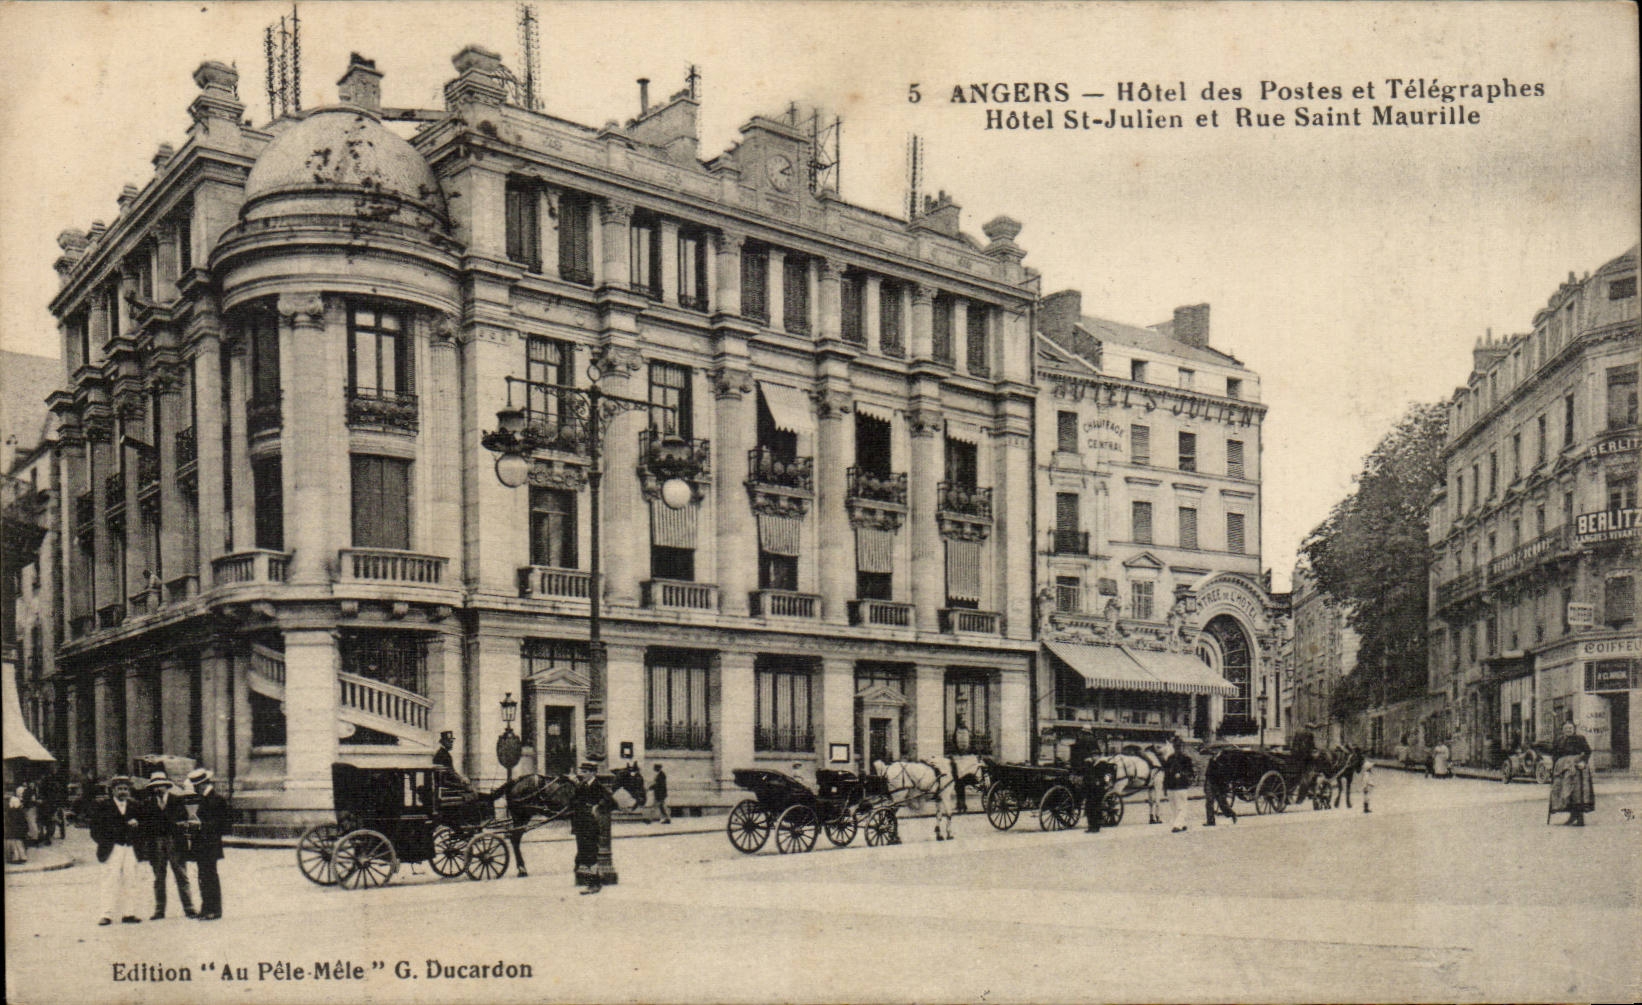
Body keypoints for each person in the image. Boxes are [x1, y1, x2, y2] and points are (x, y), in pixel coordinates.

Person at [91, 776, 148, 925]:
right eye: (120, 789)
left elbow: (145, 826)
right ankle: (106, 914)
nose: (123, 792)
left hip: (130, 848)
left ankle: (128, 913)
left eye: (125, 789)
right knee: (110, 880)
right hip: (113, 848)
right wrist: (107, 841)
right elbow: (95, 829)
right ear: (113, 790)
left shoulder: (135, 805)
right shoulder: (103, 806)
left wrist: (138, 825)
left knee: (131, 880)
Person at [140, 772, 197, 919]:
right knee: (159, 877)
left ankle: (189, 908)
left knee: (181, 875)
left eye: (161, 786)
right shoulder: (148, 803)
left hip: (175, 842)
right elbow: (146, 825)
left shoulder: (177, 800)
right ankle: (159, 910)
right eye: (155, 787)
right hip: (156, 843)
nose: (158, 789)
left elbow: (182, 819)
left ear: (167, 786)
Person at [187, 768, 228, 919]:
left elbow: (223, 825)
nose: (196, 790)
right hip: (203, 845)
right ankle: (206, 908)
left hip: (210, 845)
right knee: (203, 876)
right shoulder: (206, 799)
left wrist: (201, 825)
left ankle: (214, 910)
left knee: (210, 876)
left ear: (202, 785)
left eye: (196, 787)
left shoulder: (216, 799)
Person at [570, 762, 612, 894]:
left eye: (586, 771)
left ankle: (595, 883)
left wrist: (597, 806)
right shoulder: (581, 786)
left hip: (591, 825)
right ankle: (594, 881)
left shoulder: (598, 786)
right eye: (583, 771)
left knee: (591, 854)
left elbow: (608, 800)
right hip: (581, 824)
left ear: (593, 773)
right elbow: (574, 801)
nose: (583, 774)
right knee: (584, 854)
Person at [1549, 720, 1594, 826]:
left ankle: (1580, 818)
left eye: (1570, 728)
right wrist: (1554, 768)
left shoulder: (1580, 739)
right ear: (1563, 730)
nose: (1568, 730)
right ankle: (1572, 816)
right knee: (1564, 792)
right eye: (1566, 728)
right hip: (1562, 769)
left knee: (1577, 793)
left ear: (1574, 729)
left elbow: (1587, 751)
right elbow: (1555, 754)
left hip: (1577, 768)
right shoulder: (1559, 740)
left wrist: (1583, 762)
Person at [1163, 736, 1196, 833]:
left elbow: (1191, 773)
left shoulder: (1186, 759)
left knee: (1181, 807)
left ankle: (1177, 825)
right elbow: (1166, 773)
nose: (1177, 748)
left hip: (1181, 786)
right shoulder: (1170, 758)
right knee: (1174, 807)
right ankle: (1182, 824)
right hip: (1171, 786)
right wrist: (1165, 787)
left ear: (1181, 747)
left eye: (1179, 746)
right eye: (1176, 746)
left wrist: (1181, 774)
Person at [1080, 753, 1111, 834]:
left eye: (1095, 756)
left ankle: (1096, 827)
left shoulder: (1103, 764)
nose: (1094, 757)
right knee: (1088, 807)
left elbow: (1108, 775)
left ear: (1099, 756)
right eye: (1092, 756)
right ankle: (1090, 826)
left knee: (1096, 808)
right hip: (1090, 788)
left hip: (1098, 789)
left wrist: (1104, 783)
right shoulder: (1091, 764)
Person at [5, 785, 28, 863]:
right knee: (18, 842)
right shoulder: (19, 811)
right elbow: (23, 820)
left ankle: (15, 857)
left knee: (14, 843)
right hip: (17, 829)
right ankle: (20, 857)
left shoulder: (10, 810)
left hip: (12, 829)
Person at [1359, 747, 1375, 814]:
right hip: (1367, 788)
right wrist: (1365, 787)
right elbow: (1365, 781)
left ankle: (1366, 808)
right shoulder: (1367, 774)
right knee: (1366, 798)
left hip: (1368, 788)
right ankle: (1366, 809)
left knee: (1367, 798)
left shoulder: (1367, 773)